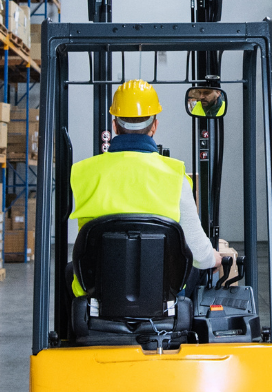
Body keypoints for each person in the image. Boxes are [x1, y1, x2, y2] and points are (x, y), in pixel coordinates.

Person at [69, 79, 236, 284]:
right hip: (163, 299)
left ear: (114, 125)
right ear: (154, 126)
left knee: (70, 272)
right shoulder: (175, 175)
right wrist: (213, 257)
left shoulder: (82, 172)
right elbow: (198, 253)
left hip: (97, 298)